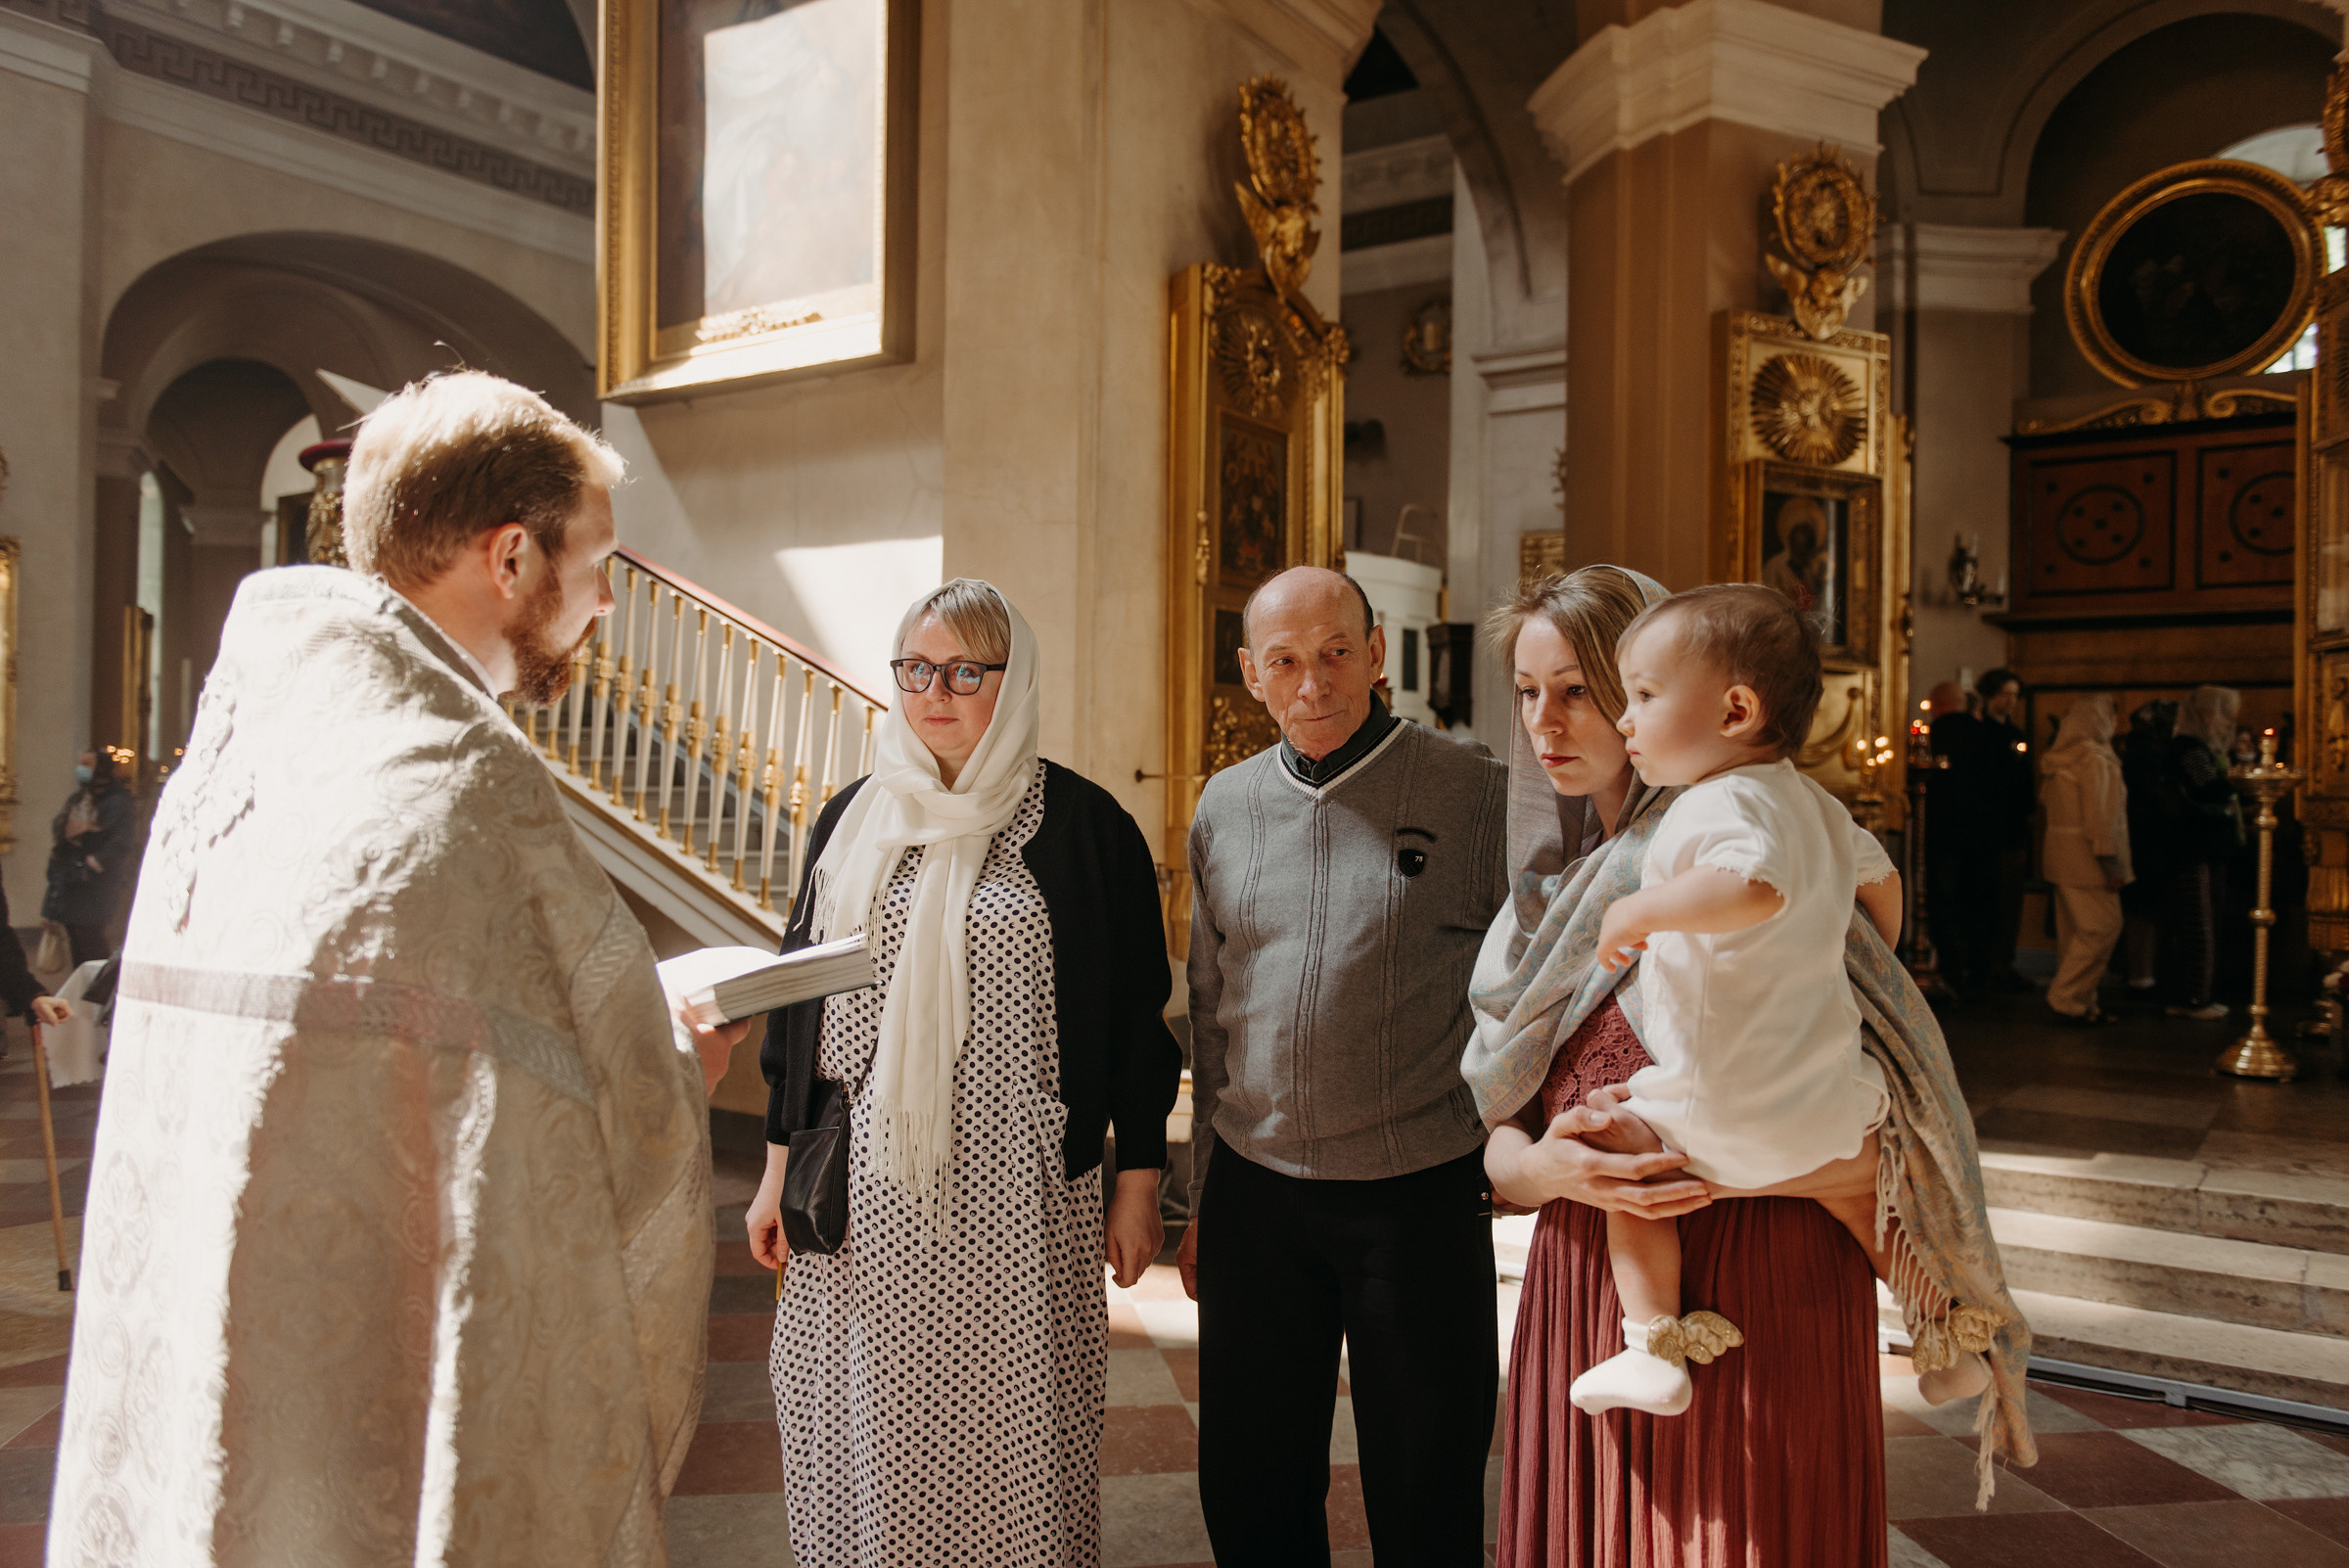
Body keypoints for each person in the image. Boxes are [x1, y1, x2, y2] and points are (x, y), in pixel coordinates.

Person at [49, 371, 751, 1566]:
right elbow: (573, 1149)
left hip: (218, 1363)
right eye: (600, 565)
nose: (608, 604)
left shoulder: (237, 759)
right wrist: (679, 1056)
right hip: (379, 1378)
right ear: (514, 558)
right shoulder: (463, 786)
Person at [1465, 567, 2032, 1567]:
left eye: (1586, 691)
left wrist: (1795, 1168)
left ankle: (1944, 1328)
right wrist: (1543, 1170)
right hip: (1596, 1275)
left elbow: (1874, 1094)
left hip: (1772, 1279)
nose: (1545, 720)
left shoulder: (1745, 843)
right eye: (1526, 689)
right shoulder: (1542, 899)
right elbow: (1498, 1136)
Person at [747, 578, 1181, 1567]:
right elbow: (800, 1001)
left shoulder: (1083, 827)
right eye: (915, 670)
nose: (934, 692)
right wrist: (777, 1168)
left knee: (1017, 1418)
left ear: (1011, 679)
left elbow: (1131, 1023)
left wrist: (1139, 1180)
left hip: (1021, 1190)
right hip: (868, 1195)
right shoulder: (854, 820)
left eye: (964, 671)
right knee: (872, 1417)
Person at [1562, 586, 1984, 1417]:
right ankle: (1945, 1337)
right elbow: (1885, 896)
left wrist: (1638, 909)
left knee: (1618, 1149)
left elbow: (1751, 888)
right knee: (1871, 1200)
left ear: (1737, 709)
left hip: (1717, 1105)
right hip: (1826, 1101)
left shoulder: (1718, 803)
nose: (1626, 721)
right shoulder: (1816, 802)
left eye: (1644, 696)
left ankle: (1652, 1346)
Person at [1180, 564, 1507, 1567]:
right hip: (1256, 1190)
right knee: (1252, 1481)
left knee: (1426, 1483)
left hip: (1418, 1195)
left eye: (1335, 654)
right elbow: (1207, 1004)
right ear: (1251, 673)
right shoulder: (1225, 804)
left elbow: (1535, 983)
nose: (1313, 682)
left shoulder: (1475, 794)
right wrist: (1200, 1195)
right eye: (1285, 661)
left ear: (1375, 655)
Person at [2154, 684, 2243, 1020]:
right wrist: (2241, 782)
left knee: (2201, 920)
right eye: (2224, 715)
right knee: (2198, 924)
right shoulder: (2189, 748)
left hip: (2199, 847)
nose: (2228, 723)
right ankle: (2193, 996)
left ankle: (2193, 994)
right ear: (2207, 713)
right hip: (2194, 848)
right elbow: (2211, 788)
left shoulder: (2196, 747)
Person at [2042, 696, 2132, 1026]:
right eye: (2112, 716)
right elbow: (2101, 816)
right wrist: (2110, 861)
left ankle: (2082, 1002)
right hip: (2088, 857)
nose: (2116, 723)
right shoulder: (2094, 760)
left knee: (2074, 931)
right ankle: (2067, 997)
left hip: (2062, 856)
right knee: (2102, 927)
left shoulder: (2059, 759)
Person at [43, 748, 135, 966]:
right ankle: (83, 989)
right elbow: (60, 829)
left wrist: (96, 861)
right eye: (80, 764)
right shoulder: (79, 797)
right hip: (72, 878)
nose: (81, 769)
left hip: (95, 882)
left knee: (90, 939)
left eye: (87, 764)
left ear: (101, 768)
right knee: (76, 936)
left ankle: (99, 990)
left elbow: (121, 839)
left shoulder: (118, 800)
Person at [1974, 669, 2036, 989]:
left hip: (2013, 830)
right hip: (1989, 834)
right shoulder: (1981, 733)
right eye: (2004, 695)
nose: (2010, 701)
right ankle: (1989, 965)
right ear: (1989, 695)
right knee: (1992, 902)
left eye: (2014, 695)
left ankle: (2005, 961)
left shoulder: (2018, 736)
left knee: (2011, 901)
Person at [2119, 700, 2178, 992]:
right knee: (2142, 910)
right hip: (2146, 841)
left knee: (2141, 910)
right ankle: (2141, 975)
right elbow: (2155, 798)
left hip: (2140, 839)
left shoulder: (2140, 751)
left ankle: (2141, 973)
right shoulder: (2147, 754)